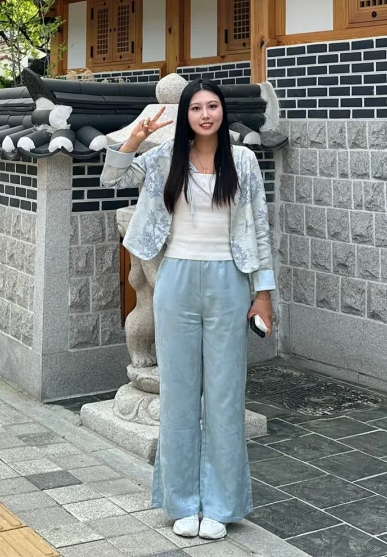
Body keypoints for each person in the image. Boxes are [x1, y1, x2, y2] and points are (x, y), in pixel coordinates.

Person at [102, 79, 274, 541]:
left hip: (228, 281)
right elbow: (111, 178)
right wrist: (137, 134)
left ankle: (221, 503)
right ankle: (180, 501)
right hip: (175, 280)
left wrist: (264, 293)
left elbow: (258, 226)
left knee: (224, 394)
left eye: (211, 106)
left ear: (222, 111)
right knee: (178, 394)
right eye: (195, 107)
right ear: (186, 115)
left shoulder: (243, 160)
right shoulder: (164, 159)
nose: (204, 114)